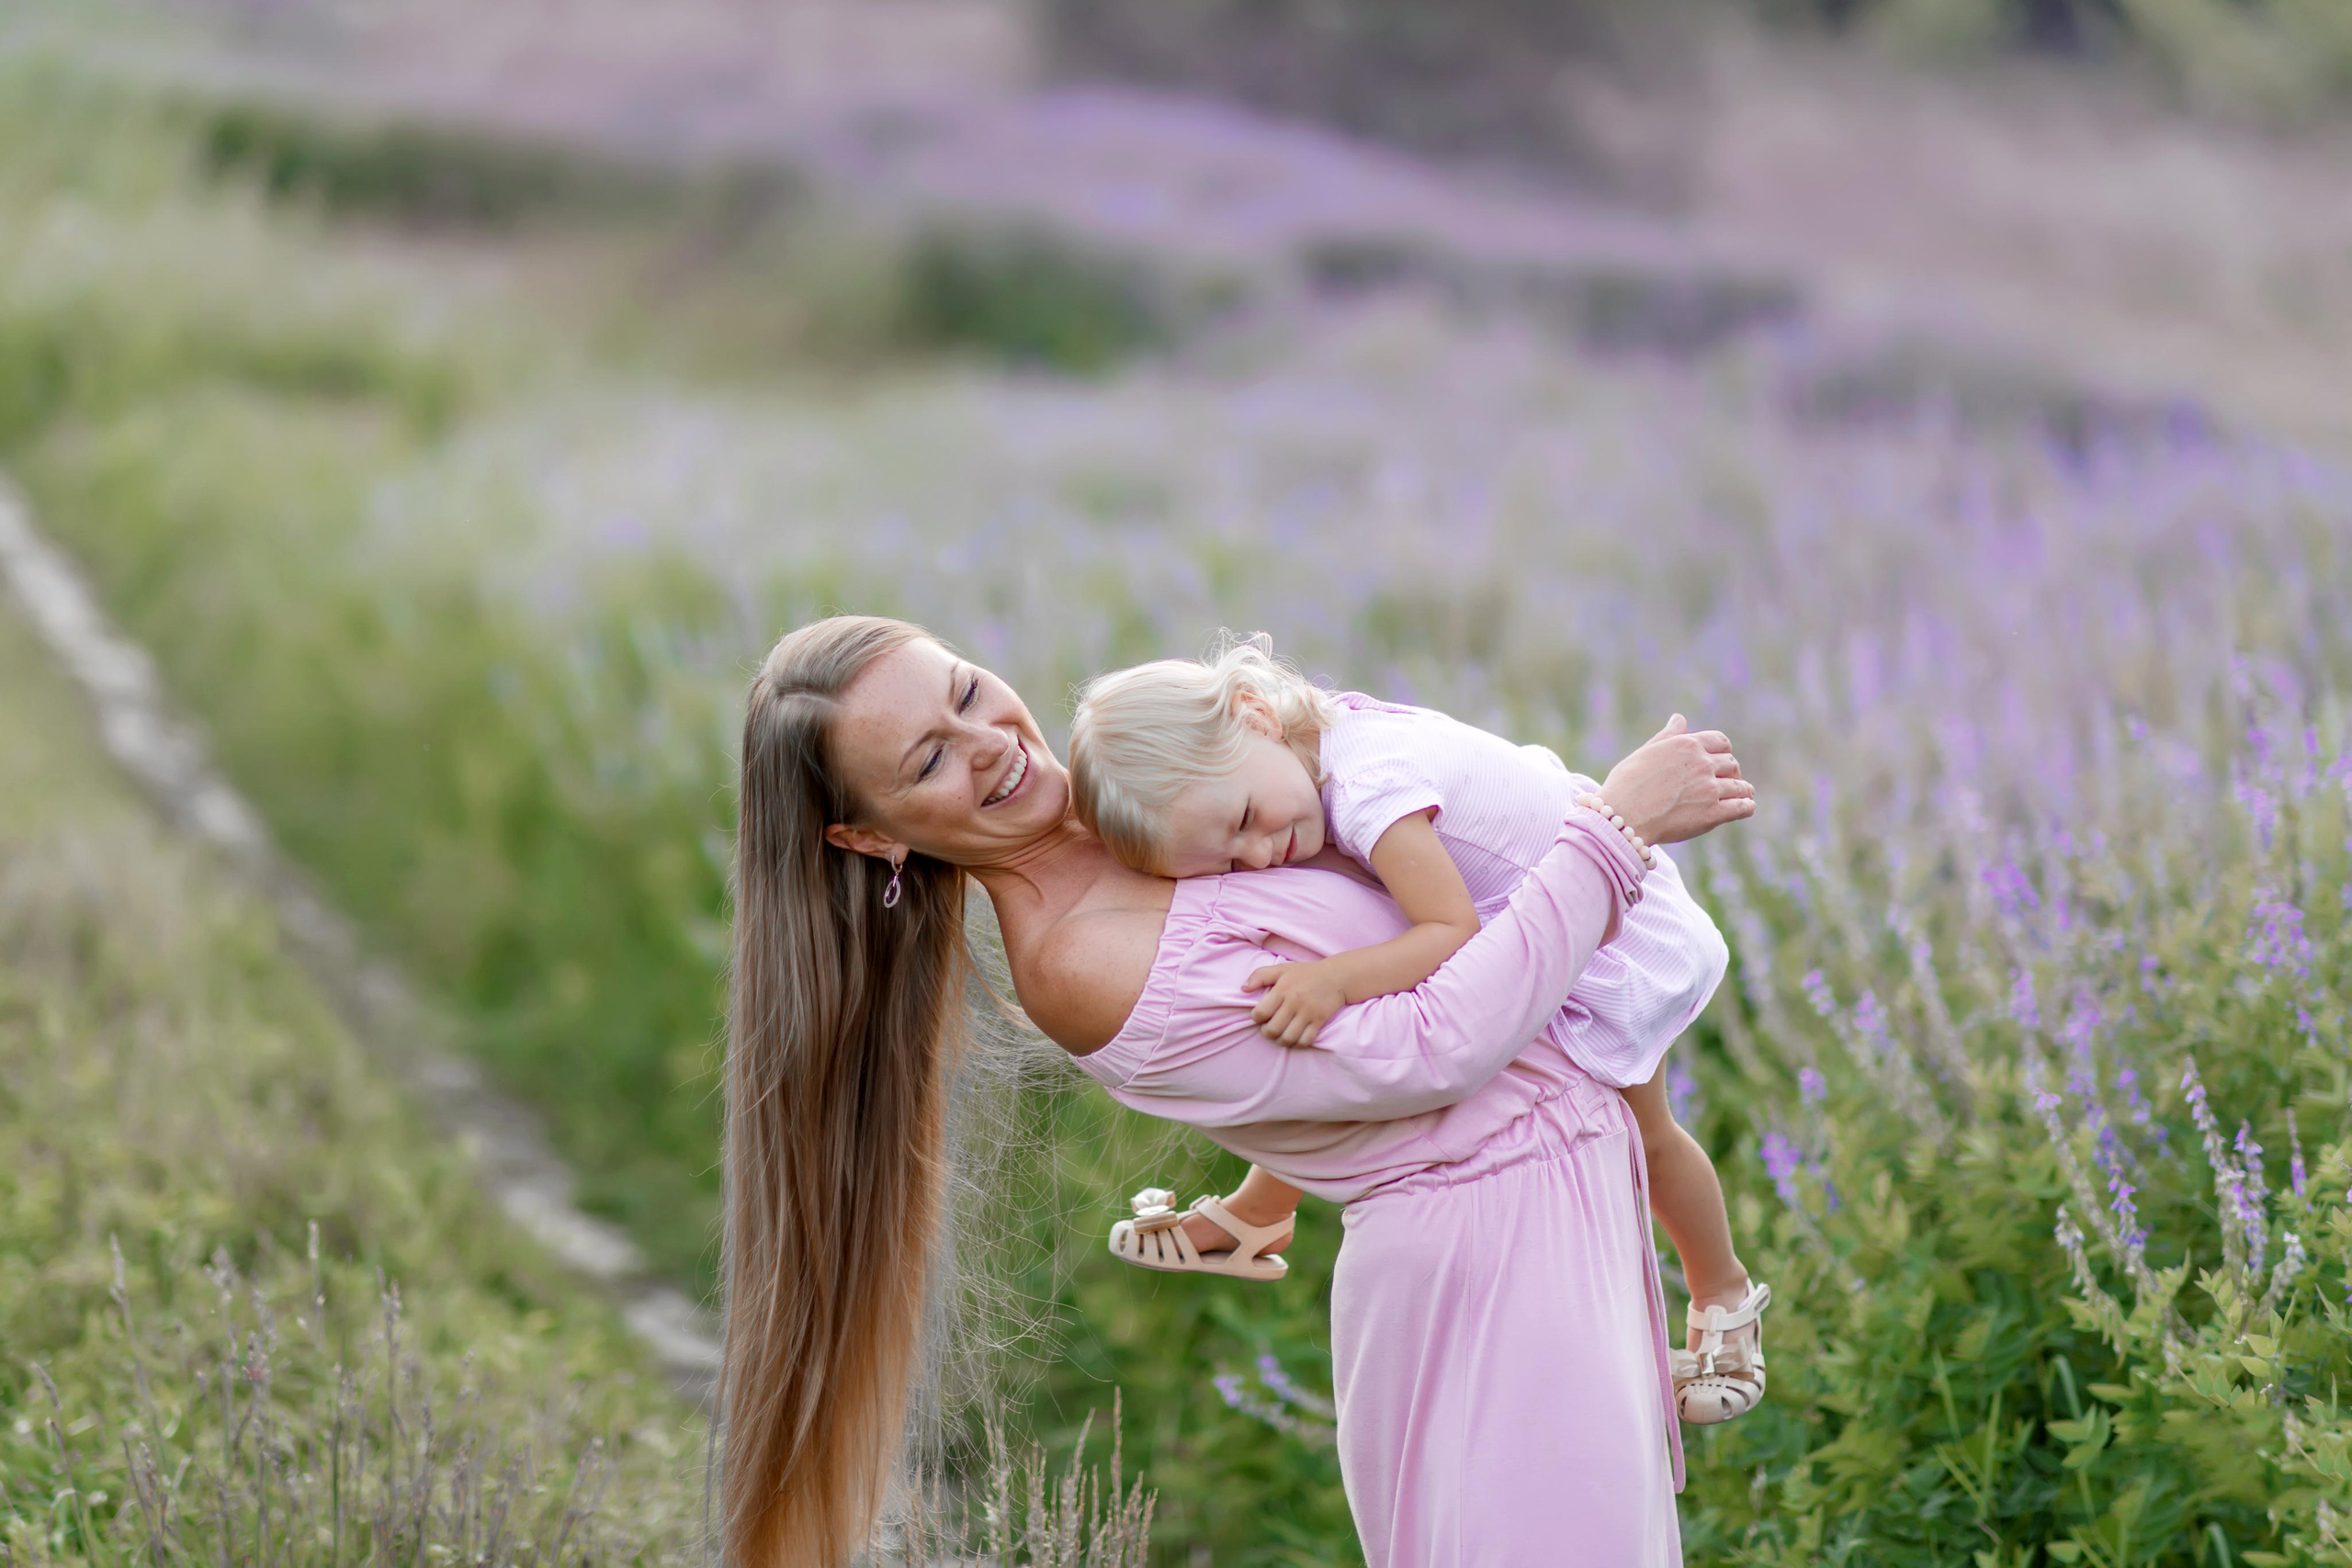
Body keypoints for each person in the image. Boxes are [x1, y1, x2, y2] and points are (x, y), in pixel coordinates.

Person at [718, 615, 1756, 1568]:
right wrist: (1613, 832)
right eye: (930, 758)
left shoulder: (1152, 808)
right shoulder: (1081, 963)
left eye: (965, 690)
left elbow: (1340, 1035)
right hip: (1489, 1268)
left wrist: (1260, 1202)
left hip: (1554, 1223)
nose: (986, 740)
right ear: (872, 839)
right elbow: (1432, 1049)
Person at [1068, 636, 1767, 1426]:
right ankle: (1259, 1215)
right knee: (1350, 1053)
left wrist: (1335, 980)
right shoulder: (1304, 749)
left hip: (1612, 939)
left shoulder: (1370, 785)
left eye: (1246, 820)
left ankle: (1724, 1297)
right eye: (1227, 864)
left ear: (1254, 713)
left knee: (1650, 1139)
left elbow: (1449, 927)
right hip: (1530, 898)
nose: (1261, 855)